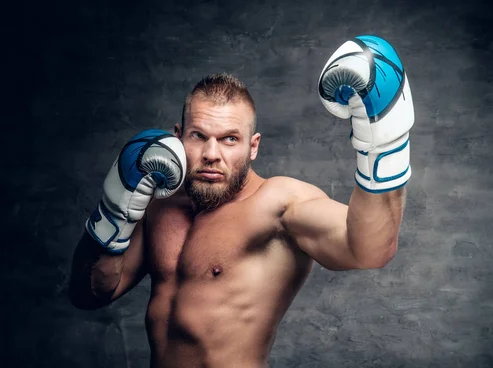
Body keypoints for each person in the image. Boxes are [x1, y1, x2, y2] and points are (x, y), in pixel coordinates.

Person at [69, 35, 414, 368]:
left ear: (253, 146)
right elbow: (90, 294)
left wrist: (385, 145)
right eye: (198, 136)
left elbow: (370, 250)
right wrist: (113, 212)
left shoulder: (279, 203)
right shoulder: (158, 205)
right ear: (177, 137)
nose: (211, 154)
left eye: (230, 139)